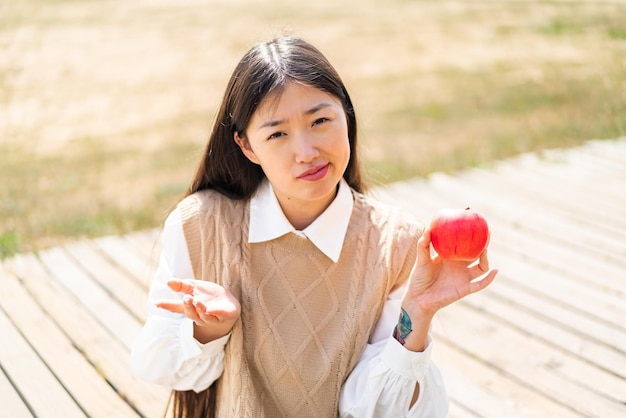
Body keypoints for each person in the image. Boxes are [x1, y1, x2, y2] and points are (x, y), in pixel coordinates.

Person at [130, 35, 498, 418]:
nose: (306, 152)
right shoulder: (202, 226)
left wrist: (418, 314)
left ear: (347, 116)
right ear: (246, 146)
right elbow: (153, 364)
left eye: (320, 121)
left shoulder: (398, 243)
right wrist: (210, 330)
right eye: (277, 134)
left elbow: (375, 409)